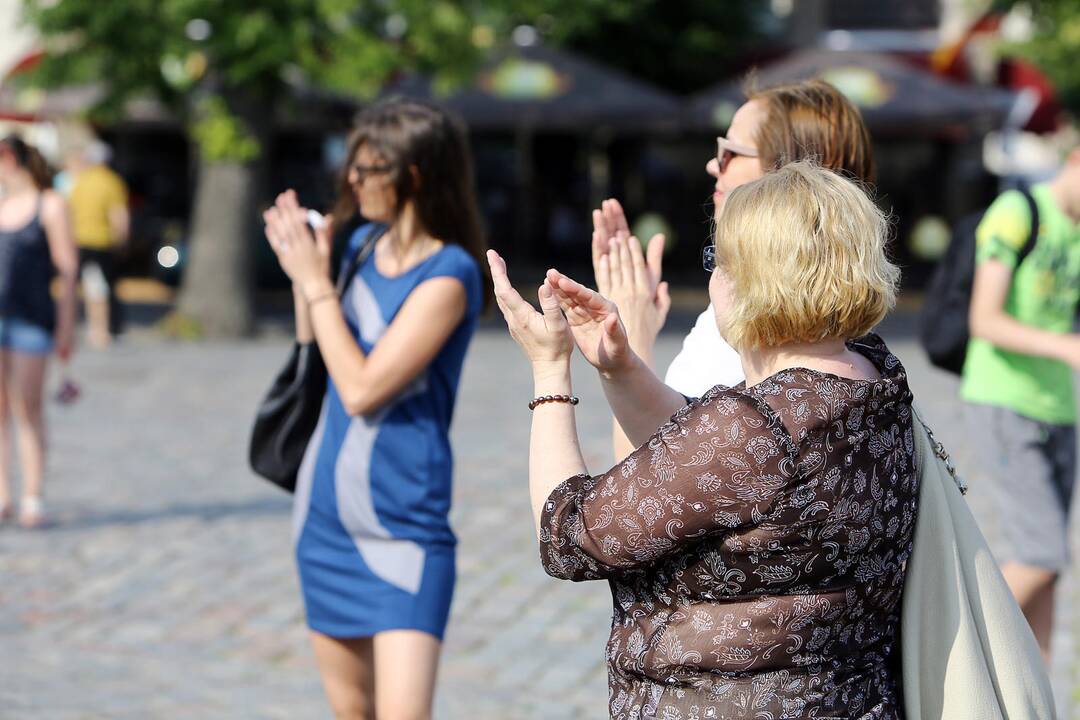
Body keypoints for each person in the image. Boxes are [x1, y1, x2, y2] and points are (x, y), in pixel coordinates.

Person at [491, 161, 912, 718]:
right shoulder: (873, 376)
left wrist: (549, 373)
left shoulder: (754, 430)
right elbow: (715, 466)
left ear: (751, 281)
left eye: (718, 261)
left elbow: (566, 535)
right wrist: (622, 369)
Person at [263, 99, 489, 720]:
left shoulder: (451, 274)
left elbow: (363, 387)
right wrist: (302, 265)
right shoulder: (360, 244)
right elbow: (318, 348)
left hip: (404, 526)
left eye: (367, 170)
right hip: (325, 519)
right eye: (351, 169)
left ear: (412, 175)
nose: (352, 181)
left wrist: (315, 282)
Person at [590, 79, 876, 460]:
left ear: (787, 175)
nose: (713, 164)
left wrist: (630, 341)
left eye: (730, 152)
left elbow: (652, 479)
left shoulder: (760, 327)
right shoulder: (840, 330)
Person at [962, 148, 1080, 662]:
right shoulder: (1018, 213)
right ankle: (959, 650)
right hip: (1006, 401)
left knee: (1049, 568)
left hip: (1060, 408)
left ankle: (1037, 698)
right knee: (1041, 552)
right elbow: (983, 319)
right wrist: (1065, 347)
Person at [0, 136, 79, 528]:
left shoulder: (50, 205)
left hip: (33, 320)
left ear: (9, 159)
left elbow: (67, 268)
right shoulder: (1, 205)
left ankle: (33, 493)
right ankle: (2, 493)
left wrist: (66, 326)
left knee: (27, 407)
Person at [67, 140, 129, 348]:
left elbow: (69, 211)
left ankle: (86, 327)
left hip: (79, 240)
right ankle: (100, 331)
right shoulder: (111, 182)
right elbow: (119, 216)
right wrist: (122, 241)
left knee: (83, 287)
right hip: (101, 242)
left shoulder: (80, 182)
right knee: (99, 289)